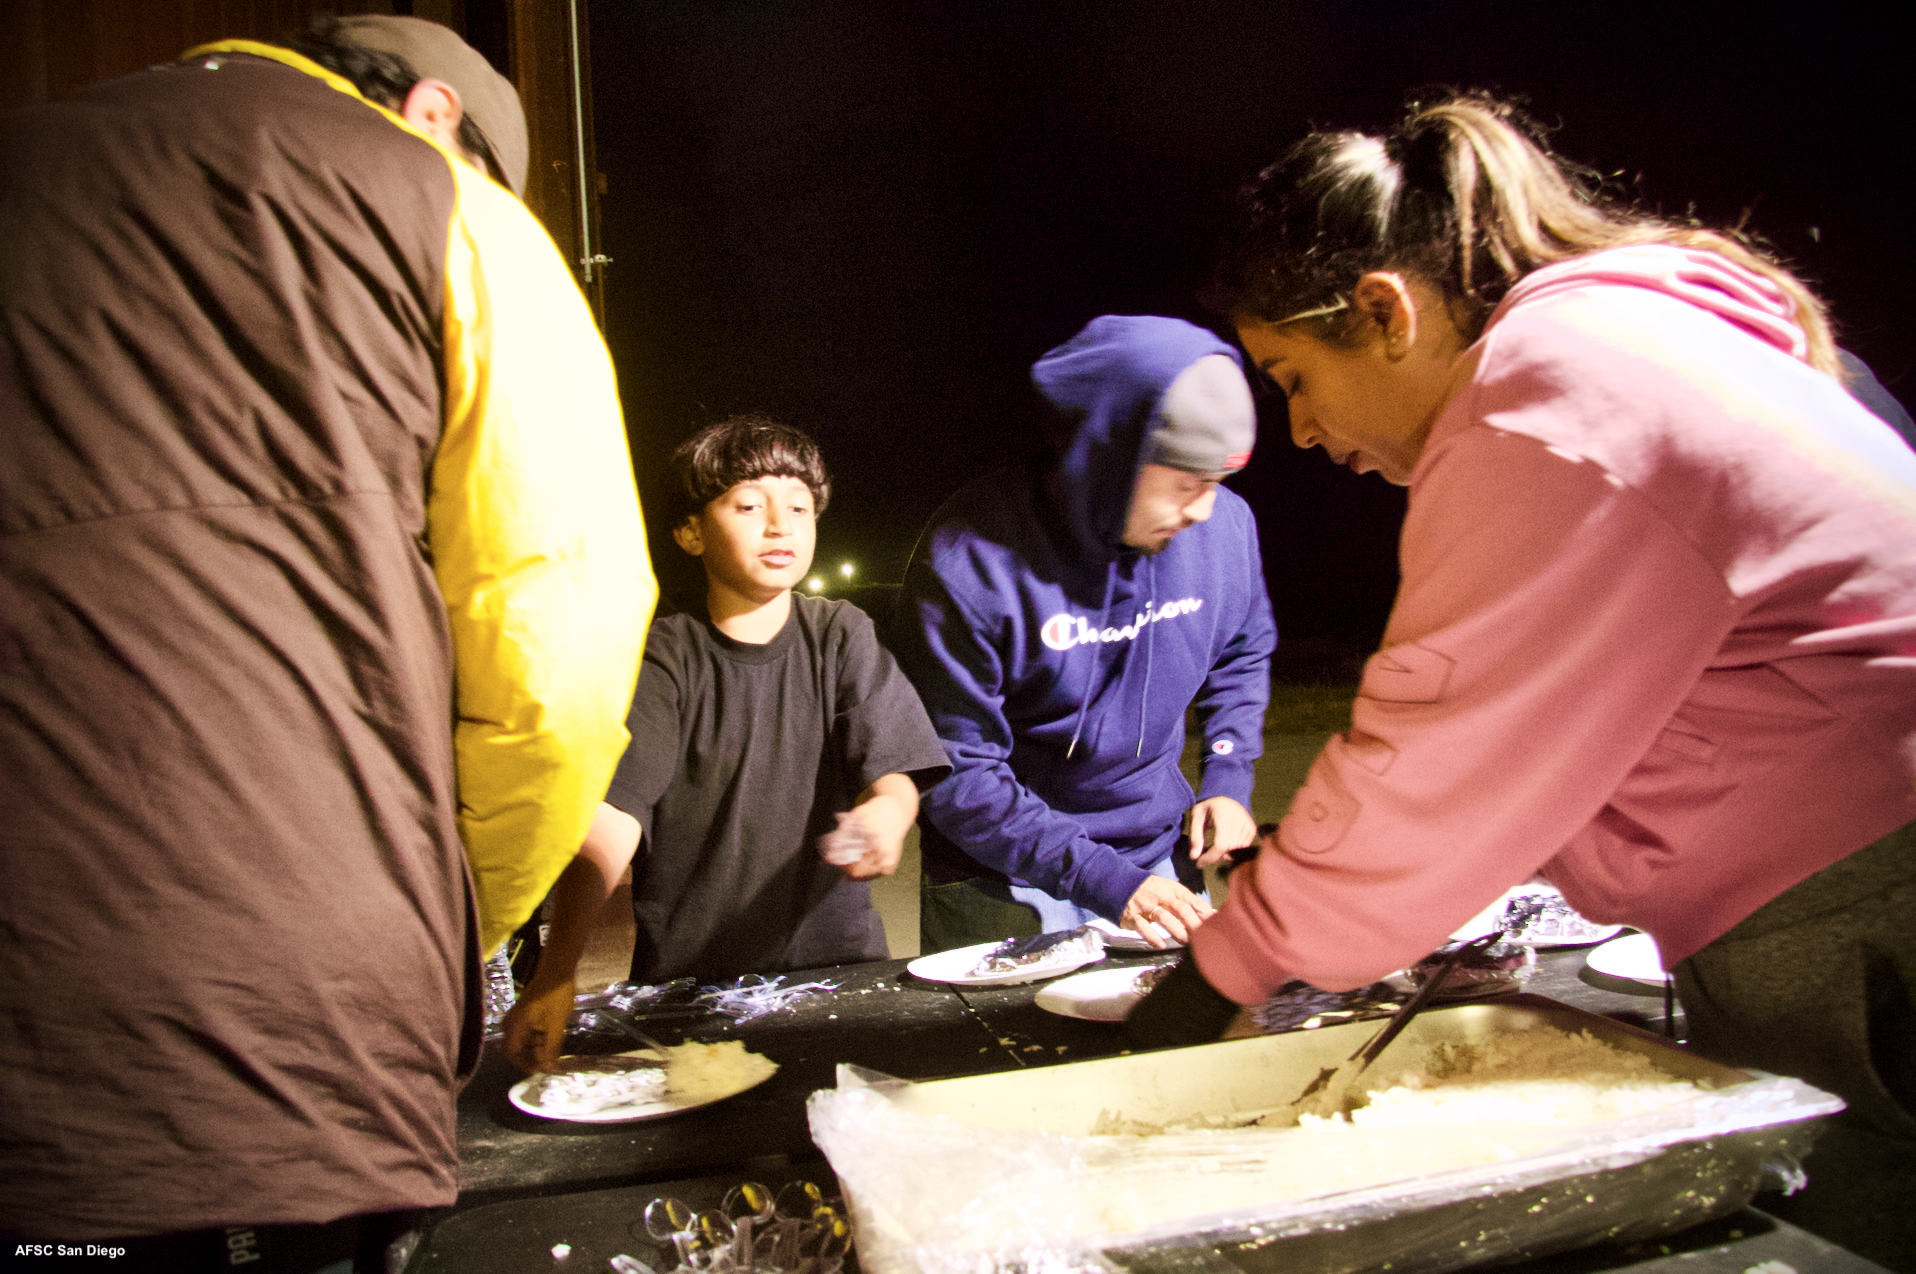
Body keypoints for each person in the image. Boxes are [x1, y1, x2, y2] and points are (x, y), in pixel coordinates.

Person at [1127, 91, 1915, 1260]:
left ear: (1383, 311)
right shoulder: (1616, 340)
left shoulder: (1543, 401)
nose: (1298, 429)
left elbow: (1441, 750)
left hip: (1853, 889)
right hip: (1838, 867)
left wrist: (1225, 963)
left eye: (1291, 374)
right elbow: (1552, 734)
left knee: (1856, 1231)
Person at [0, 16, 653, 1268]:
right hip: (308, 993)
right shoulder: (444, 208)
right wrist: (465, 916)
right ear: (436, 117)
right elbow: (555, 648)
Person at [501, 416, 950, 1073]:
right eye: (749, 505)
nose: (781, 524)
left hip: (839, 968)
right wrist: (556, 972)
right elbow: (614, 816)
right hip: (693, 986)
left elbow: (893, 769)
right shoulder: (664, 655)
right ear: (689, 531)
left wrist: (887, 812)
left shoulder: (840, 634)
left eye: (799, 506)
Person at [894, 315, 1277, 953]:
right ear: (1110, 456)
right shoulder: (970, 560)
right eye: (1187, 483)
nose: (1205, 509)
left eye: (1218, 483)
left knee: (1178, 1045)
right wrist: (1100, 877)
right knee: (1013, 1052)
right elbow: (954, 768)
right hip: (1003, 870)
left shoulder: (1225, 529)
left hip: (1158, 855)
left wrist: (1228, 777)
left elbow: (1243, 651)